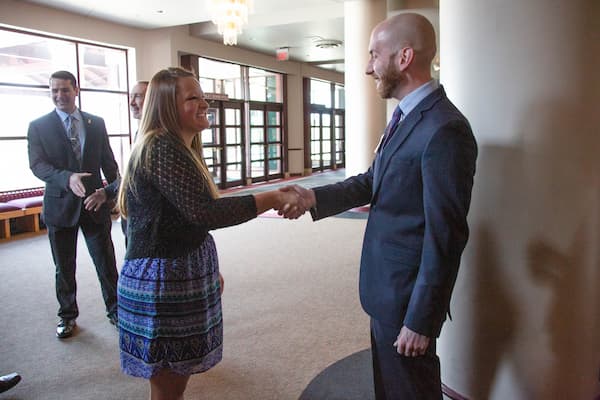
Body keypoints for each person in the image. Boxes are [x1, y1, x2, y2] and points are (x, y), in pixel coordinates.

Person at [280, 13, 477, 400]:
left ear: (404, 58)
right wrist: (313, 197)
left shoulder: (444, 128)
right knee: (389, 387)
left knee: (410, 391)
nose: (368, 67)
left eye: (374, 54)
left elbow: (446, 235)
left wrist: (422, 320)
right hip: (386, 288)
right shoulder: (404, 117)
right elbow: (373, 182)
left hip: (407, 300)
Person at [116, 67, 301, 400]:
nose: (204, 104)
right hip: (163, 280)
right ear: (166, 106)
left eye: (203, 97)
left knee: (175, 379)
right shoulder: (160, 147)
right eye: (192, 98)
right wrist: (272, 198)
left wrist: (208, 269)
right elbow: (206, 213)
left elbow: (192, 213)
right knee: (168, 384)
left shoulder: (179, 147)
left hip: (179, 271)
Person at [27, 70, 121, 339]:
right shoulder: (38, 126)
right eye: (54, 91)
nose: (59, 96)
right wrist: (67, 178)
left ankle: (115, 310)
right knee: (64, 266)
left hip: (94, 205)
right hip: (60, 207)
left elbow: (110, 167)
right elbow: (38, 165)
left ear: (76, 90)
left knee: (106, 263)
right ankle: (67, 316)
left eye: (64, 90)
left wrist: (110, 193)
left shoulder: (96, 123)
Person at [121, 80, 149, 246]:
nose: (131, 102)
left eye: (137, 96)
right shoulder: (141, 131)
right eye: (131, 96)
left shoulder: (159, 136)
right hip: (134, 218)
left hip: (147, 224)